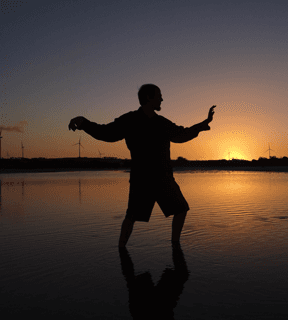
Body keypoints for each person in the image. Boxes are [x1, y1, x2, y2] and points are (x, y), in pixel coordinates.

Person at [68, 84, 215, 247]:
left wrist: (202, 125)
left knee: (181, 209)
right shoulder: (130, 120)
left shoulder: (162, 123)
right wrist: (84, 123)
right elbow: (106, 133)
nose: (162, 99)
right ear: (148, 98)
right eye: (159, 95)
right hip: (142, 180)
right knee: (131, 217)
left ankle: (175, 246)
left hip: (163, 178)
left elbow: (181, 134)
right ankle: (121, 250)